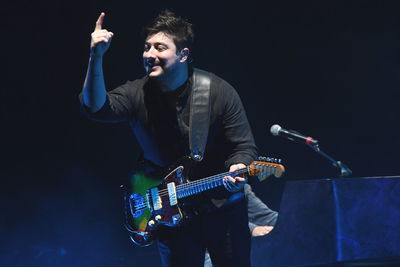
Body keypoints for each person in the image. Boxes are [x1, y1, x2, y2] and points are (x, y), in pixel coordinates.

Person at [80, 10, 257, 267]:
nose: (149, 54)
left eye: (160, 47)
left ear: (183, 55)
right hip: (169, 214)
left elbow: (243, 145)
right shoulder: (136, 93)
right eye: (146, 47)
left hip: (222, 211)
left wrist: (240, 165)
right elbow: (95, 107)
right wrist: (95, 57)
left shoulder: (218, 91)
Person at [204, 184, 278, 266]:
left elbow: (266, 216)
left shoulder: (240, 186)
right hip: (204, 250)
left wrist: (287, 221)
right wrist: (252, 228)